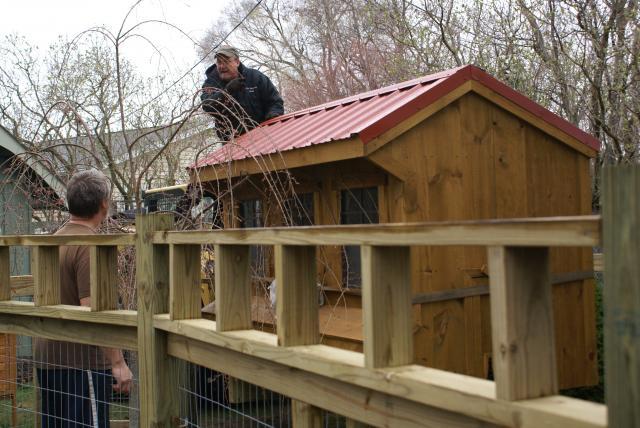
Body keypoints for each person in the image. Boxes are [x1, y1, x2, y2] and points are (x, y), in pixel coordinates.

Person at [34, 169, 132, 428]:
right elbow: (93, 312)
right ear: (104, 203)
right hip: (80, 363)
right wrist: (118, 362)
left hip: (49, 360)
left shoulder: (53, 241)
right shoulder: (90, 246)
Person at [201, 45, 284, 141]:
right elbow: (207, 105)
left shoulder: (255, 77)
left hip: (264, 135)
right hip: (233, 142)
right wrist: (227, 92)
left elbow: (275, 101)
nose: (222, 66)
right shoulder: (211, 84)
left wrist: (273, 115)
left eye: (226, 62)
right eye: (219, 62)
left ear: (237, 62)